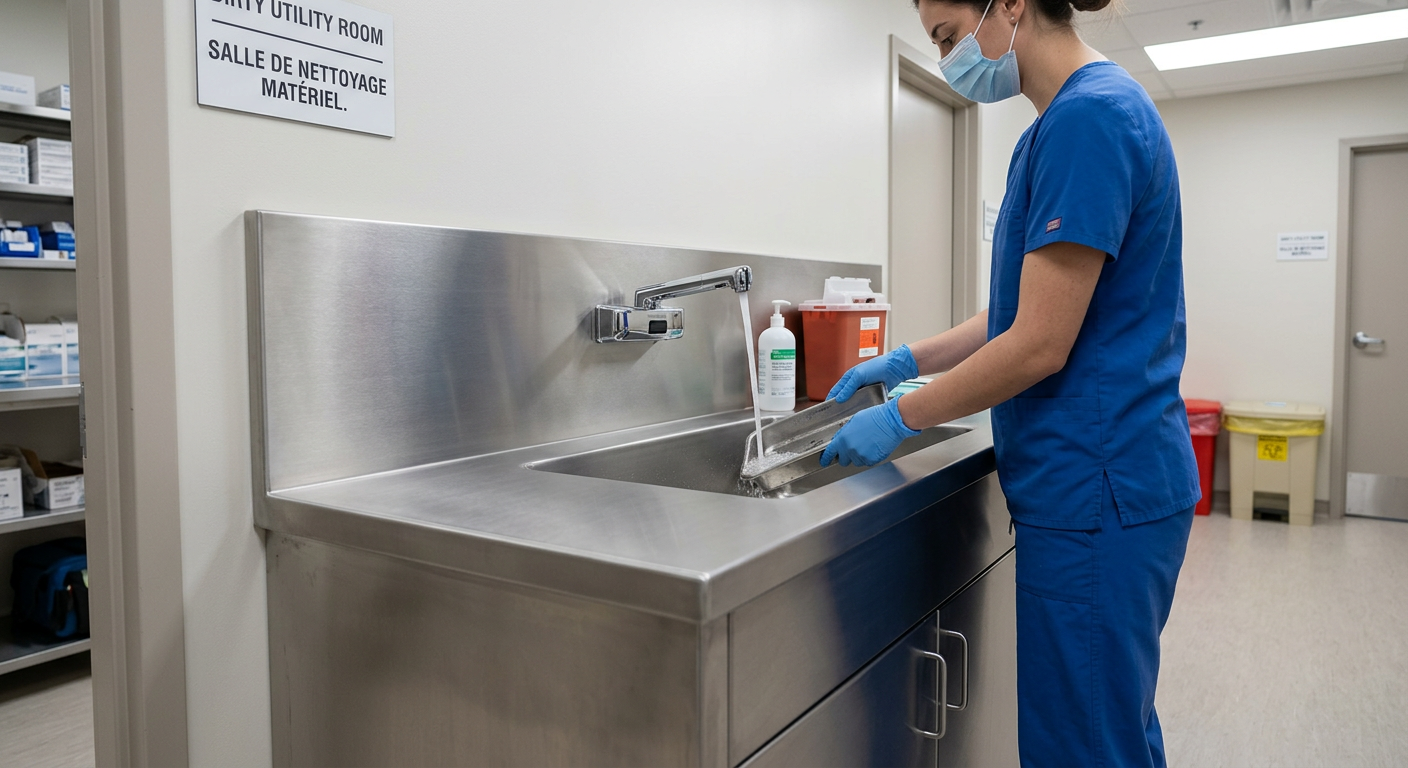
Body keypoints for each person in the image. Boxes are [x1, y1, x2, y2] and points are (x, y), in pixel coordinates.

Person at [818, 0, 1201, 765]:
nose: (948, 61)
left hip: (1101, 488)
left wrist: (906, 417)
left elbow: (1037, 344)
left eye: (949, 37)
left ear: (1012, 6)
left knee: (1086, 744)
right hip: (1096, 482)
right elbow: (1017, 311)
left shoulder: (1090, 119)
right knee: (1110, 727)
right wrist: (906, 360)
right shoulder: (1053, 128)